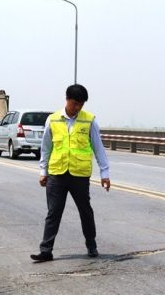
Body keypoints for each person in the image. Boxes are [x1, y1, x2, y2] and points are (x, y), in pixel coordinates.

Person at [31, 84, 111, 262]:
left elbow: (99, 148)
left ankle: (91, 245)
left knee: (85, 211)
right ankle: (46, 250)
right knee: (53, 212)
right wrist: (43, 171)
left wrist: (105, 173)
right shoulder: (52, 120)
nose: (78, 108)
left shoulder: (89, 120)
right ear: (67, 100)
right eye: (75, 103)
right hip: (57, 174)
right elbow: (46, 148)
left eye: (81, 104)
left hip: (79, 175)